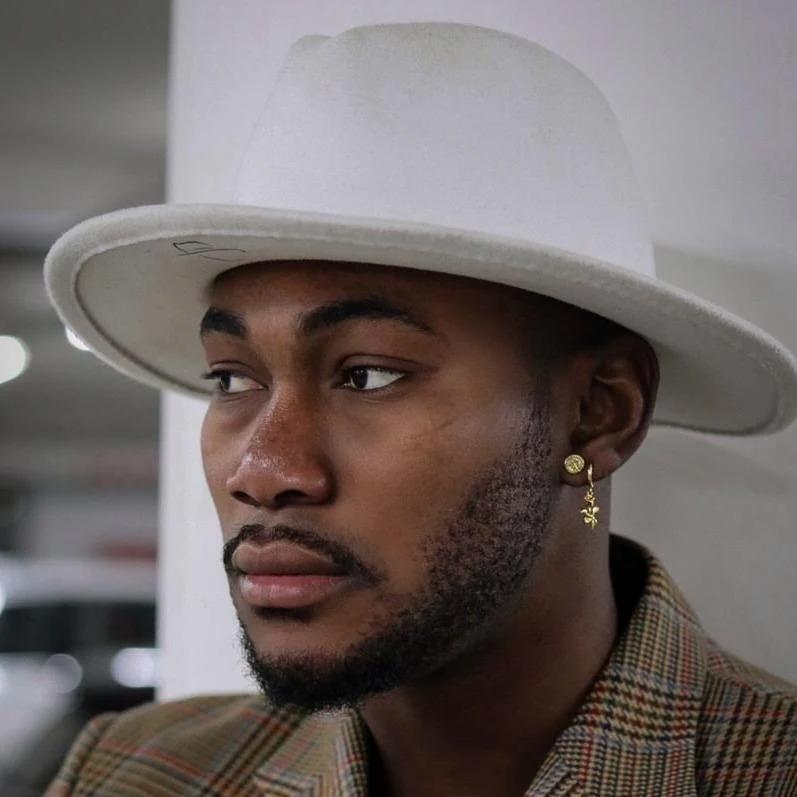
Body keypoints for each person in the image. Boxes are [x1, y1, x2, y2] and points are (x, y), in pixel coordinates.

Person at [43, 22, 797, 797]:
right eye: (232, 379)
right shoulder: (136, 772)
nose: (263, 471)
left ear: (598, 413)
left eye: (367, 374)